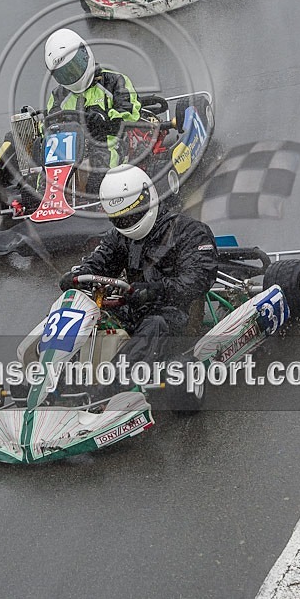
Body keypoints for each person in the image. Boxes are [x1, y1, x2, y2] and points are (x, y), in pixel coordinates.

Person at [59, 164, 219, 363]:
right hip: (133, 310)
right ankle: (52, 370)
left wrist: (155, 291)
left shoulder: (189, 232)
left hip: (178, 314)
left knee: (155, 324)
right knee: (88, 317)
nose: (127, 221)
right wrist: (79, 275)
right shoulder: (119, 237)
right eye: (121, 218)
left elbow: (198, 279)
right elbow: (100, 261)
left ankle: (113, 382)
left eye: (132, 214)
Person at [44, 28, 141, 180]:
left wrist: (104, 120)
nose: (71, 75)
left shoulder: (114, 81)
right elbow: (49, 124)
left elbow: (131, 114)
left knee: (98, 168)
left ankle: (102, 192)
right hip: (71, 150)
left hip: (109, 141)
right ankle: (44, 198)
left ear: (85, 55)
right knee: (47, 170)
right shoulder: (58, 96)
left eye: (74, 68)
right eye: (64, 73)